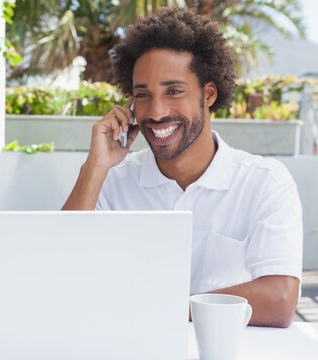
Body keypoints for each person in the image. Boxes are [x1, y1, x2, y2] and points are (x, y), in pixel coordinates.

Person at [62, 8, 302, 328]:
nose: (157, 112)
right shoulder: (112, 181)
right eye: (143, 95)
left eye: (174, 91)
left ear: (208, 94)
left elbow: (279, 299)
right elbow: (58, 271)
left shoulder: (264, 183)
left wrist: (155, 307)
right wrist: (94, 166)